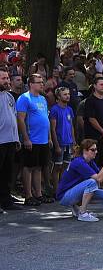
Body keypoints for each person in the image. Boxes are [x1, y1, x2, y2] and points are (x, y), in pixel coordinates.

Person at [16, 75, 53, 206]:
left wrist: (49, 138)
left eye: (42, 82)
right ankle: (28, 195)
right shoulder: (24, 98)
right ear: (31, 84)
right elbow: (20, 119)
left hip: (43, 139)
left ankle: (38, 194)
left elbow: (46, 119)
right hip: (32, 139)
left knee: (38, 167)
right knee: (28, 167)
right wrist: (26, 138)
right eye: (39, 82)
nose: (42, 84)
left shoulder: (43, 99)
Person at [56, 139, 103, 222]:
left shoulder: (90, 162)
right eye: (93, 150)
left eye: (96, 149)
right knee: (92, 182)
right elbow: (99, 178)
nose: (96, 152)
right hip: (64, 196)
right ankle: (82, 213)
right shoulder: (79, 162)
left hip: (74, 192)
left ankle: (76, 208)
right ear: (84, 150)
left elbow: (102, 179)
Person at [0, 68, 19, 213]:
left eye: (7, 78)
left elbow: (13, 118)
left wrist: (16, 138)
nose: (6, 81)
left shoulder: (10, 96)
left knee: (7, 172)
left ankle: (6, 201)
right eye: (3, 78)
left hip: (10, 141)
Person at [83, 77, 103, 168]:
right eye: (101, 84)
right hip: (94, 137)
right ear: (94, 86)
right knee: (93, 160)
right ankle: (93, 180)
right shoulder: (90, 100)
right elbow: (91, 119)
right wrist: (102, 131)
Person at [49, 87, 76, 191]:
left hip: (69, 142)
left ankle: (63, 188)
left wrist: (73, 142)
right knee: (57, 167)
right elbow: (53, 129)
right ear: (58, 97)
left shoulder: (69, 109)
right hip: (60, 143)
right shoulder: (54, 109)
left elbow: (71, 126)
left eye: (68, 94)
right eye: (64, 94)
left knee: (65, 167)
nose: (67, 96)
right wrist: (56, 145)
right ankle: (56, 190)